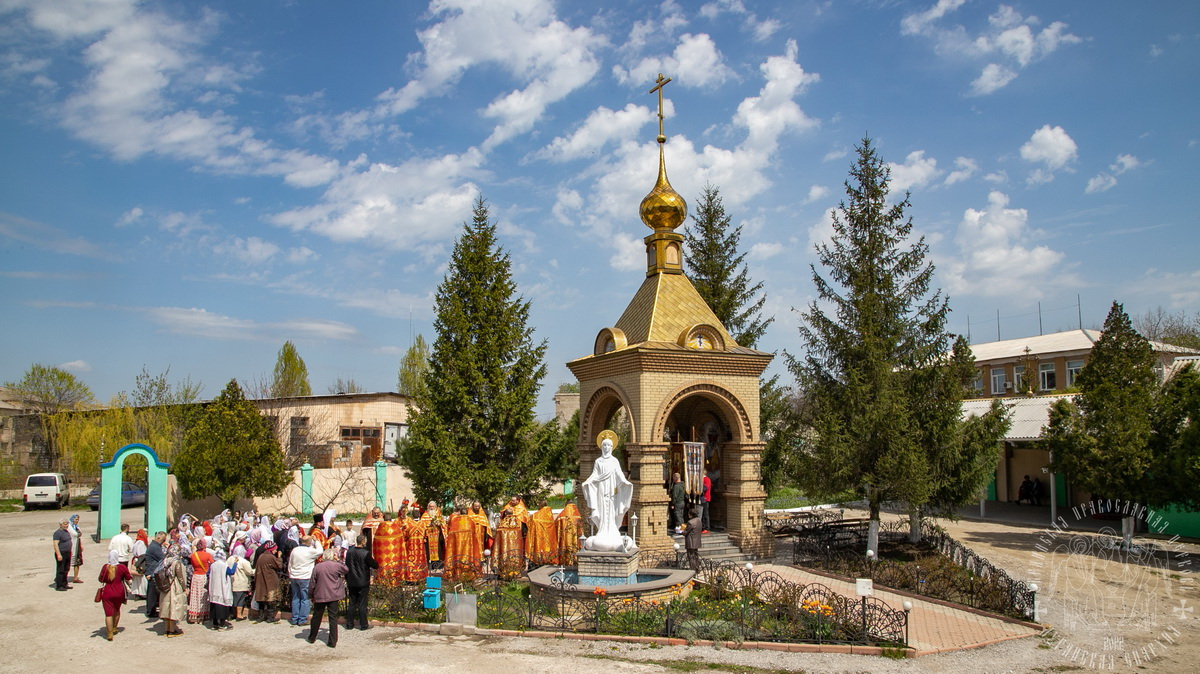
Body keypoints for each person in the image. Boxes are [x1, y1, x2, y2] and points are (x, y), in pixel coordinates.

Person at [581, 435, 634, 552]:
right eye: (604, 445)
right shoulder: (598, 461)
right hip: (601, 489)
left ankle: (612, 530)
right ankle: (602, 530)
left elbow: (619, 474)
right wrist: (587, 482)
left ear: (611, 447)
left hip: (611, 490)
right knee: (601, 510)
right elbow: (595, 475)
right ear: (601, 447)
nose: (606, 447)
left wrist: (625, 482)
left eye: (608, 445)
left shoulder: (614, 461)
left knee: (611, 509)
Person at [307, 548, 348, 647]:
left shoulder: (318, 567)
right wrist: (338, 560)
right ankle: (332, 641)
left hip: (320, 594)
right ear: (333, 556)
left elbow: (312, 582)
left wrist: (310, 594)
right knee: (333, 618)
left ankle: (312, 637)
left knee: (317, 616)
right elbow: (346, 569)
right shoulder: (336, 566)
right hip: (333, 594)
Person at [344, 534, 378, 630]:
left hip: (351, 580)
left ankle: (349, 624)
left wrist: (347, 578)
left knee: (352, 603)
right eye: (365, 541)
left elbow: (346, 565)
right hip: (362, 581)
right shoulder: (365, 553)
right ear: (363, 542)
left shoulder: (349, 552)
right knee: (362, 603)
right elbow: (374, 565)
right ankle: (363, 624)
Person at [98, 550, 132, 641]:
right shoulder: (122, 567)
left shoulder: (105, 567)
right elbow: (128, 577)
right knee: (117, 610)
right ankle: (114, 628)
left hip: (107, 592)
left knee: (108, 614)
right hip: (119, 591)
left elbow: (100, 579)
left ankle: (109, 634)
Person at [288, 535, 322, 626]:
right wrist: (316, 541)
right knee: (305, 598)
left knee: (295, 598)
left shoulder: (295, 550)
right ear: (309, 542)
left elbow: (290, 563)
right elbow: (320, 551)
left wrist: (291, 573)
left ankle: (295, 618)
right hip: (305, 577)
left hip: (294, 576)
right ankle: (302, 619)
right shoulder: (310, 551)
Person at [159, 544, 188, 637]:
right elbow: (180, 577)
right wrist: (184, 587)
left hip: (165, 587)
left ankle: (167, 629)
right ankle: (172, 630)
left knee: (166, 608)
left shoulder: (165, 560)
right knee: (173, 608)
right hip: (173, 587)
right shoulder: (176, 562)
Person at [252, 541, 281, 623]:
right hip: (269, 579)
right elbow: (279, 565)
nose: (276, 551)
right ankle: (270, 617)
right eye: (275, 549)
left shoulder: (261, 556)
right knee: (270, 598)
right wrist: (279, 557)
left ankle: (260, 616)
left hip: (261, 579)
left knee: (261, 598)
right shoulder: (271, 557)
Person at [187, 538, 213, 624]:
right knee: (203, 596)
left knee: (195, 596)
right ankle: (203, 615)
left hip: (195, 576)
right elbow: (212, 564)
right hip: (203, 576)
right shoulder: (208, 555)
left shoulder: (193, 555)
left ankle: (194, 614)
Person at [207, 549, 234, 630]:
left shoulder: (213, 565)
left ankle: (215, 624)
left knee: (214, 606)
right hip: (222, 588)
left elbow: (208, 573)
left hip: (214, 588)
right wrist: (235, 564)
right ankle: (222, 625)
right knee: (222, 606)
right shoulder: (224, 565)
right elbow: (231, 572)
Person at [526, 499, 558, 566]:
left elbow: (529, 522)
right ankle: (548, 560)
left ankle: (538, 561)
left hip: (539, 538)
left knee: (539, 550)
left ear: (540, 505)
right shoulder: (549, 514)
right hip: (549, 538)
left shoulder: (536, 515)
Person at [228, 544, 255, 620]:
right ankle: (239, 615)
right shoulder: (243, 561)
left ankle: (232, 614)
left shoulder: (229, 559)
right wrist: (257, 570)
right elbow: (250, 572)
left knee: (233, 599)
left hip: (231, 582)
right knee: (240, 600)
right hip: (241, 583)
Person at [144, 531, 167, 618]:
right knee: (152, 593)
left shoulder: (155, 546)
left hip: (152, 571)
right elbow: (163, 558)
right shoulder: (155, 547)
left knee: (153, 592)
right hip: (152, 572)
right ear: (158, 538)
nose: (164, 541)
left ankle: (152, 609)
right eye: (163, 539)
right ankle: (150, 611)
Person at [554, 500, 583, 567]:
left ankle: (565, 562)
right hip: (575, 540)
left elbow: (555, 526)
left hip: (565, 541)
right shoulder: (577, 515)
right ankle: (575, 561)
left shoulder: (562, 515)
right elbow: (580, 530)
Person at [52, 518, 73, 591]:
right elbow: (55, 544)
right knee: (60, 570)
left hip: (68, 552)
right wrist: (58, 554)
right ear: (60, 524)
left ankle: (64, 584)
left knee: (66, 569)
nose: (66, 525)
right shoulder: (57, 533)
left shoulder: (66, 531)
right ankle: (59, 585)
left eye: (67, 524)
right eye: (65, 524)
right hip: (61, 553)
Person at [129, 529, 149, 599]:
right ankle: (143, 593)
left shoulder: (137, 542)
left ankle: (137, 592)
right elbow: (142, 554)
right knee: (141, 577)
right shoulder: (141, 543)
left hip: (136, 560)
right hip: (140, 561)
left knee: (137, 578)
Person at [684, 506, 703, 573]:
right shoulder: (699, 520)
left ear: (691, 515)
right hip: (697, 540)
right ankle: (697, 568)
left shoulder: (690, 522)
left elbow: (686, 532)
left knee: (691, 556)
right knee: (696, 555)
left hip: (691, 541)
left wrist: (679, 531)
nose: (688, 515)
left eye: (689, 514)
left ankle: (693, 570)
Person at [68, 514, 84, 583]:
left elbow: (78, 536)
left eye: (78, 519)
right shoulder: (69, 527)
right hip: (71, 545)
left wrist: (81, 545)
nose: (77, 521)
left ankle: (75, 577)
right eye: (76, 519)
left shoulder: (76, 527)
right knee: (68, 562)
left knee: (77, 562)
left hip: (77, 545)